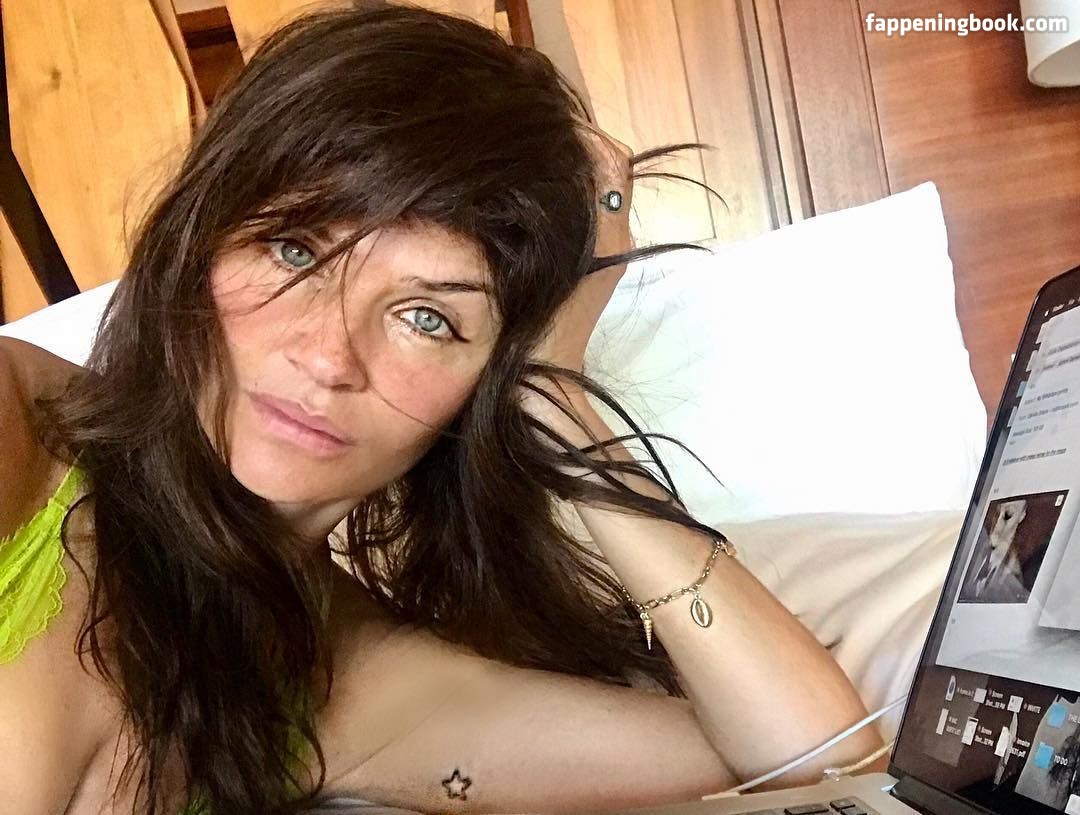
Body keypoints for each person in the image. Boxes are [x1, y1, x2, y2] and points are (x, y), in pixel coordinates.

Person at [0, 2, 883, 813]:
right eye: (293, 249)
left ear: (484, 379)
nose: (327, 356)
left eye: (428, 318)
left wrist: (553, 393)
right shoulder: (21, 428)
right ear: (200, 241)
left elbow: (817, 761)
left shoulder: (346, 686)